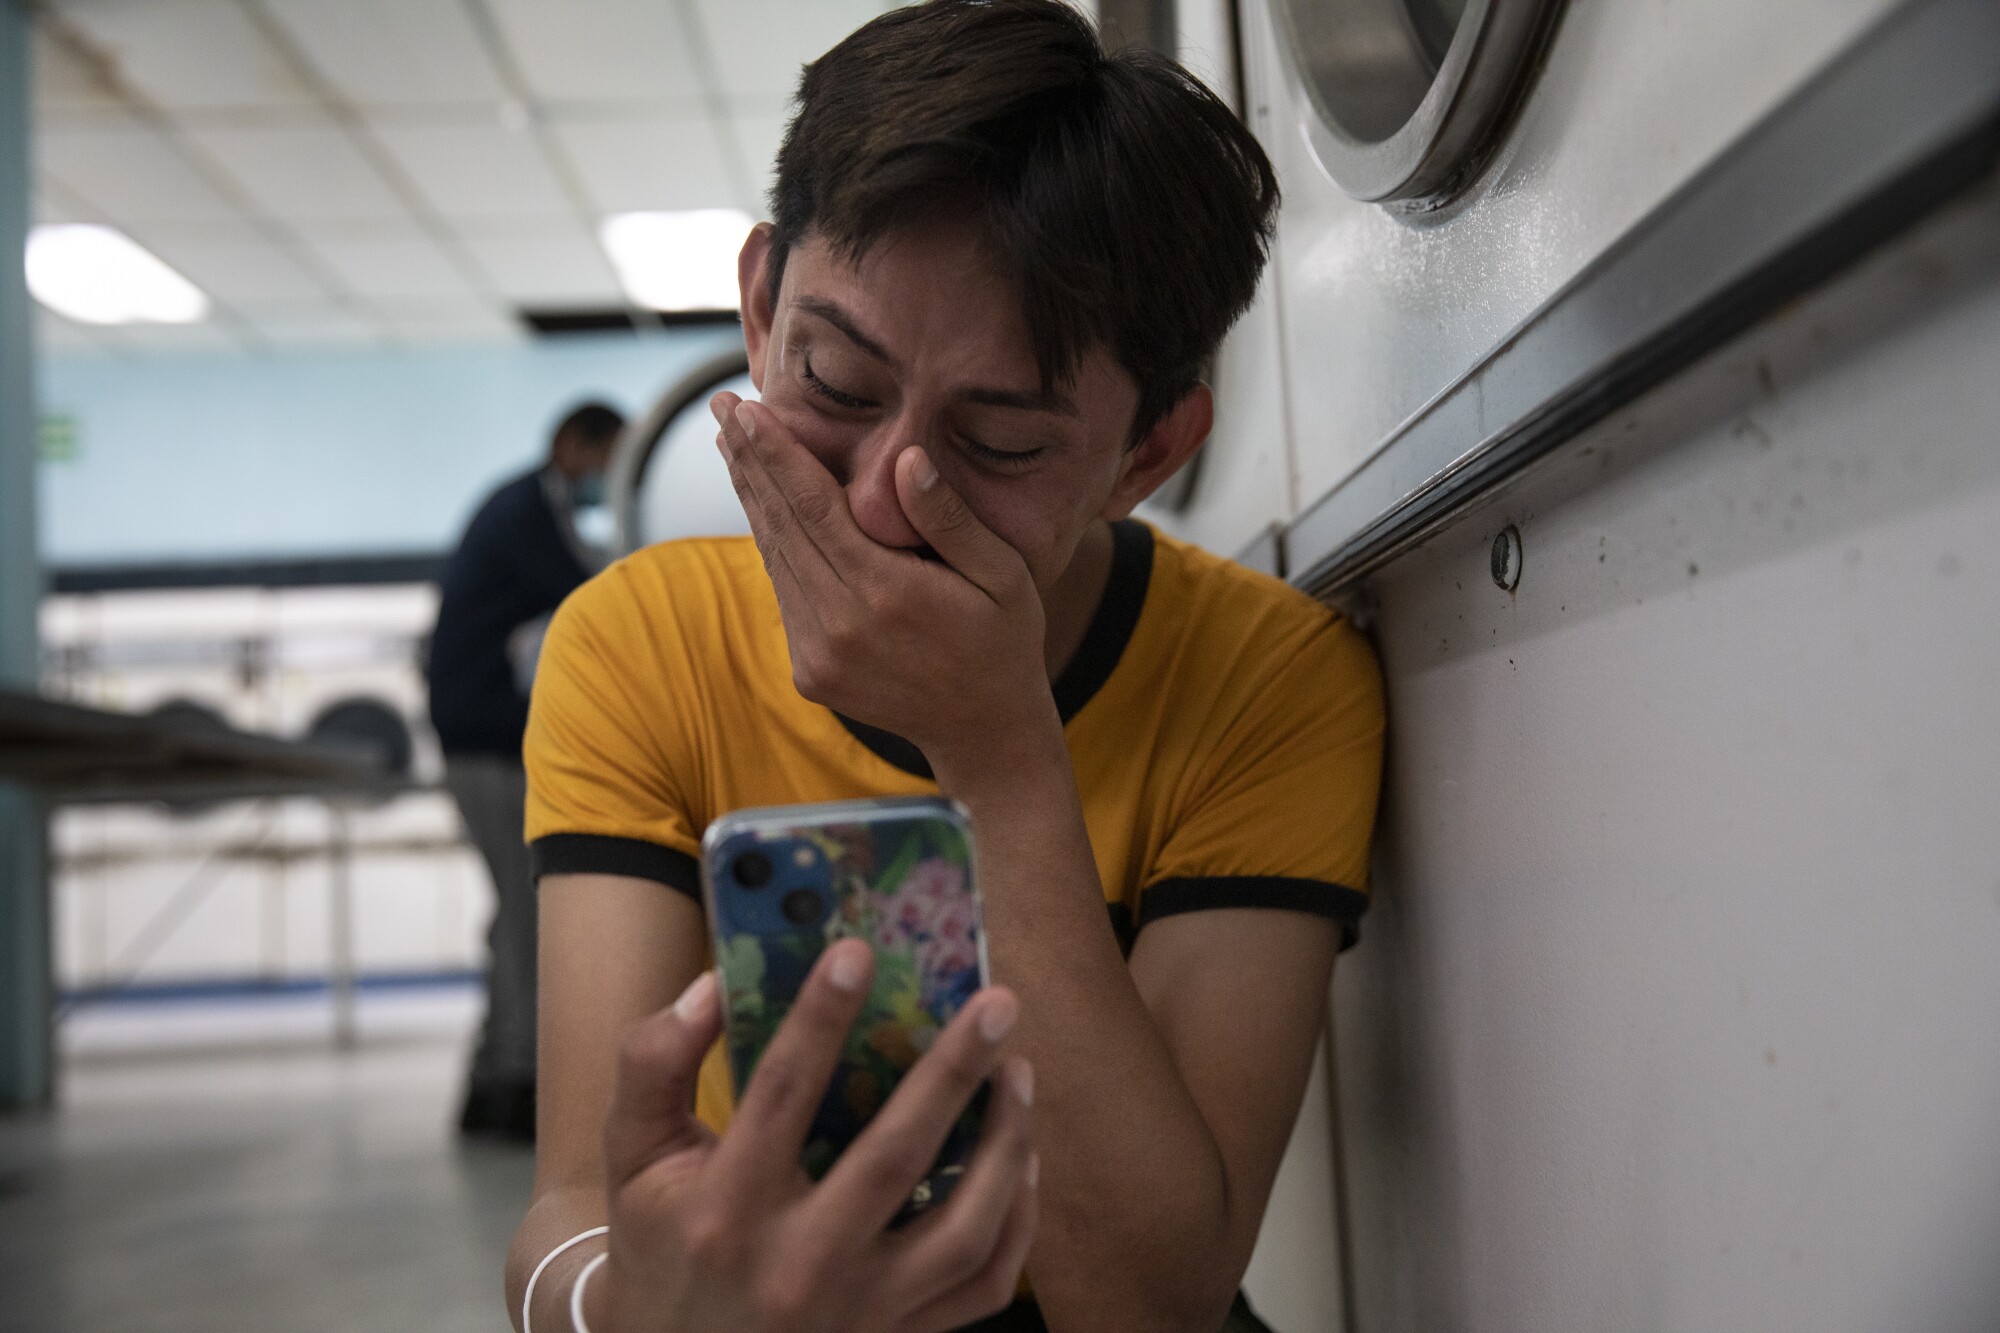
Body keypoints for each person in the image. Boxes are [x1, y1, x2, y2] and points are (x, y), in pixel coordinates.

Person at [511, 3, 1384, 1329]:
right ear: (758, 305)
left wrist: (998, 754)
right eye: (835, 382)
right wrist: (636, 1307)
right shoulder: (642, 643)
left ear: (1147, 456)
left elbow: (1153, 1302)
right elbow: (567, 1213)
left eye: (1004, 446)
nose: (883, 500)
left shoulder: (1270, 681)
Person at [427, 400, 625, 1142]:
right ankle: (513, 1087)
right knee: (526, 913)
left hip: (481, 739)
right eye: (608, 462)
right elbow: (593, 587)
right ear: (572, 444)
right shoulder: (523, 515)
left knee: (516, 910)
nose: (606, 480)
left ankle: (492, 1082)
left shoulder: (527, 507)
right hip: (488, 745)